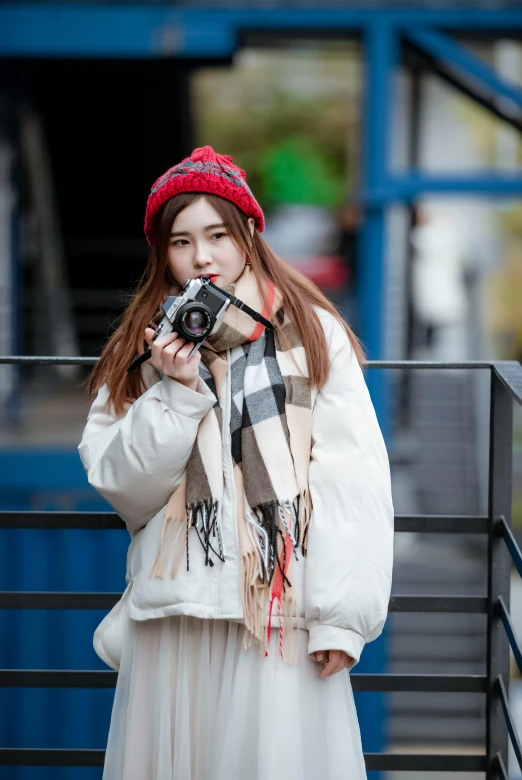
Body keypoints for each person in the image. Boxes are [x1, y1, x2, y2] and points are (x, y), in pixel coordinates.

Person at [78, 145, 394, 780]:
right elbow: (122, 487)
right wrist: (175, 392)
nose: (202, 257)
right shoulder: (140, 347)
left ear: (249, 234)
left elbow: (352, 480)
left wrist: (342, 618)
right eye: (182, 241)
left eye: (218, 234)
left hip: (279, 616)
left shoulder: (311, 332)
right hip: (175, 616)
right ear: (161, 253)